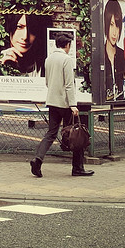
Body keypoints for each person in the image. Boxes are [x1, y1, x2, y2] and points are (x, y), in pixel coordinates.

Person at [30, 31, 93, 178]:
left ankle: (38, 159)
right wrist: (73, 104)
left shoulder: (49, 59)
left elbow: (47, 82)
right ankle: (77, 168)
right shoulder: (66, 60)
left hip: (52, 102)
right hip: (65, 104)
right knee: (75, 133)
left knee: (51, 133)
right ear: (67, 45)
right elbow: (69, 85)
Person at [102, 0, 125, 101]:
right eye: (111, 25)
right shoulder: (100, 54)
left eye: (117, 26)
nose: (114, 33)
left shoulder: (123, 55)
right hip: (103, 108)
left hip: (120, 107)